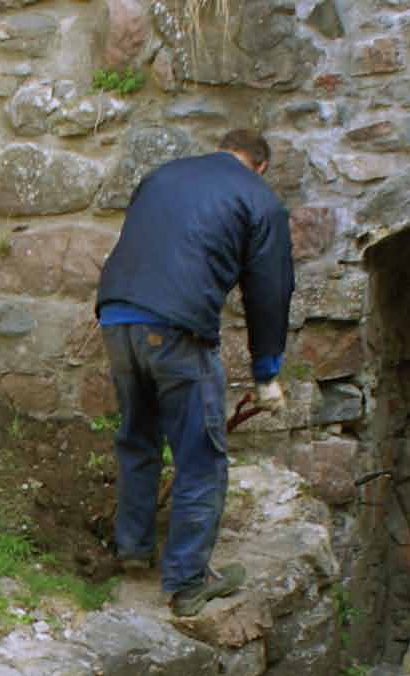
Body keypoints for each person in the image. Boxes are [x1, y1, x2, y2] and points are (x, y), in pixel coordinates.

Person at [94, 128, 295, 618]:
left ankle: (133, 549)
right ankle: (187, 583)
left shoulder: (162, 177)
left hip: (116, 316)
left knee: (138, 438)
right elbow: (270, 291)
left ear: (221, 148)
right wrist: (267, 371)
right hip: (177, 329)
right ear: (261, 164)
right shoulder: (258, 198)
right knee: (201, 457)